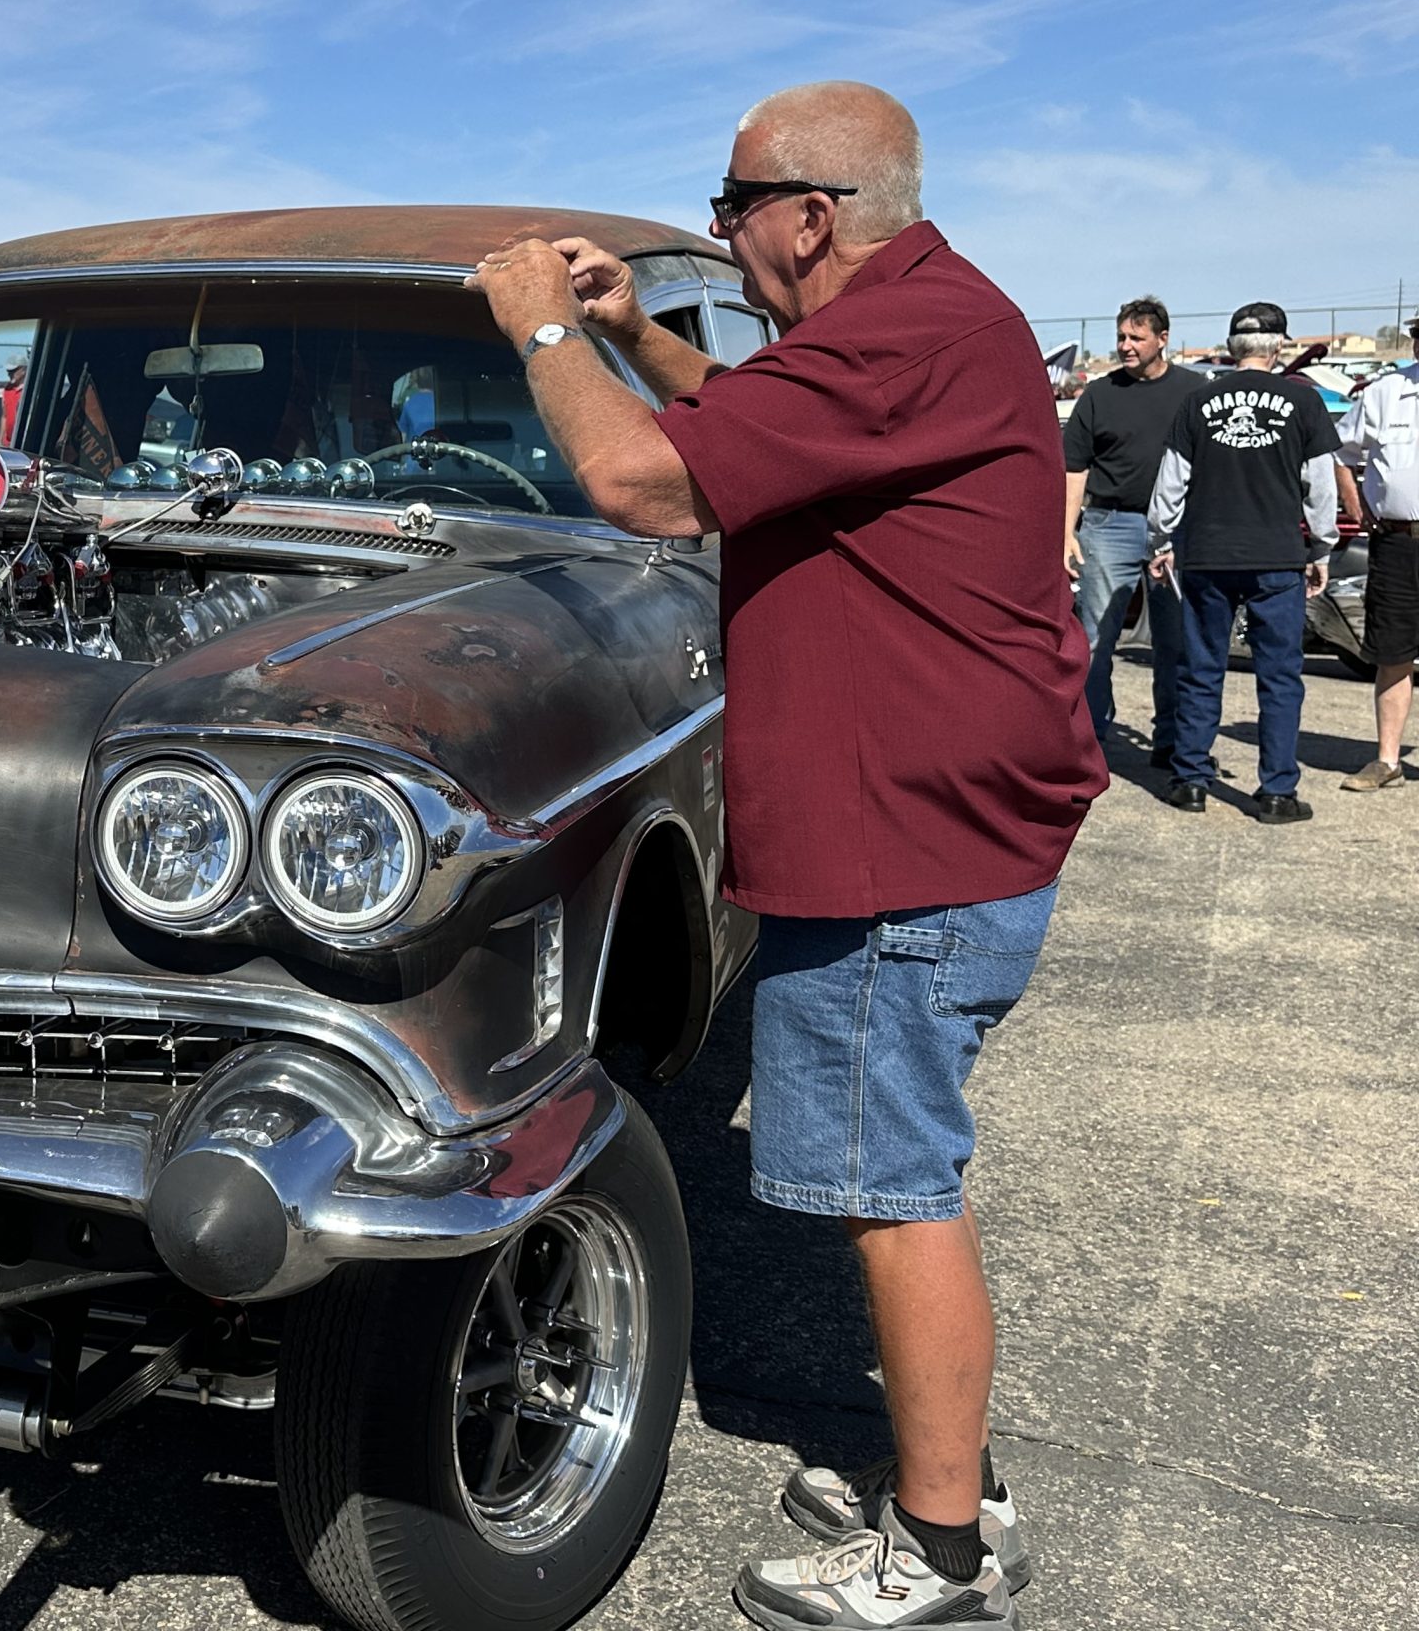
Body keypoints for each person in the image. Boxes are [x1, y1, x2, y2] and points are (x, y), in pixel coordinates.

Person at [470, 81, 1099, 1631]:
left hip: (911, 845)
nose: (718, 225)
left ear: (812, 214)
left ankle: (944, 1554)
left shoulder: (914, 330)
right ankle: (942, 1475)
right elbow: (749, 433)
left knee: (897, 1191)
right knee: (898, 1174)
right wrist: (630, 335)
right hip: (929, 821)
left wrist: (545, 329)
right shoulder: (919, 323)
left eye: (734, 198)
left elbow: (645, 483)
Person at [1146, 302, 1339, 821]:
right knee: (1279, 675)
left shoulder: (1197, 401)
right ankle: (1276, 790)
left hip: (1207, 554)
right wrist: (1320, 546)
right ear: (1278, 348)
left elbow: (1171, 483)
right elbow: (1319, 487)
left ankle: (1189, 780)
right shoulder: (1304, 402)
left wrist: (1160, 541)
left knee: (1202, 668)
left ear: (1232, 348)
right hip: (1276, 555)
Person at [1062, 296, 1208, 762]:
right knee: (1097, 640)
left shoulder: (1195, 391)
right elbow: (1073, 468)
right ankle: (1091, 740)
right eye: (1121, 337)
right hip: (1109, 525)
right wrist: (1066, 532)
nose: (1125, 346)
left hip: (1177, 530)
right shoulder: (1100, 394)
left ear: (1162, 340)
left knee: (1175, 641)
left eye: (1136, 338)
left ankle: (1171, 741)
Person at [1335, 321, 1419, 791]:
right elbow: (1343, 452)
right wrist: (1356, 504)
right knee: (1394, 653)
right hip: (1396, 542)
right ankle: (1388, 760)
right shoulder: (1386, 392)